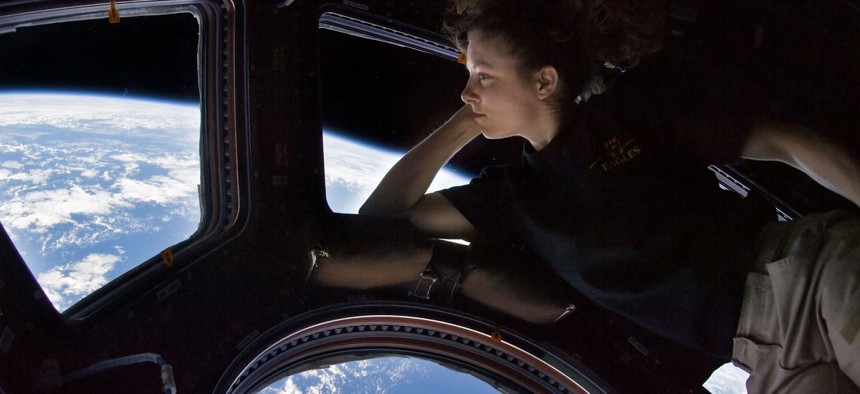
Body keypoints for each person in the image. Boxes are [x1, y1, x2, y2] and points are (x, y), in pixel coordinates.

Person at [315, 0, 860, 391]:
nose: (467, 91)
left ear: (545, 82)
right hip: (764, 355)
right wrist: (462, 125)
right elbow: (382, 216)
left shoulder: (629, 113)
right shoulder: (515, 196)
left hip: (806, 275)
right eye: (469, 75)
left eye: (483, 76)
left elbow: (785, 143)